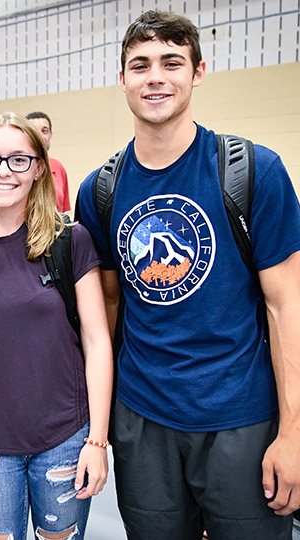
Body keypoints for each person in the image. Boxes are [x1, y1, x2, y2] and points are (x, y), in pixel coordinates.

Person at [75, 10, 300, 539]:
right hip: (143, 419)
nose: (155, 76)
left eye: (171, 62)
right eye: (140, 65)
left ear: (197, 72)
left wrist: (292, 433)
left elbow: (286, 306)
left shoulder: (254, 172)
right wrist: (97, 430)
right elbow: (104, 314)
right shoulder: (99, 192)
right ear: (123, 79)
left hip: (241, 417)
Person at [0, 112, 113, 540]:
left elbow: (96, 341)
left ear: (38, 168)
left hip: (65, 438)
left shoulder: (70, 241)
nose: (3, 171)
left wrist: (98, 441)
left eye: (18, 159)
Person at [27, 111, 71, 213]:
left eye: (44, 131)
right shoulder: (15, 168)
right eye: (34, 131)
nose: (40, 136)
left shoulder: (58, 168)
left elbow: (62, 212)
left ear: (51, 134)